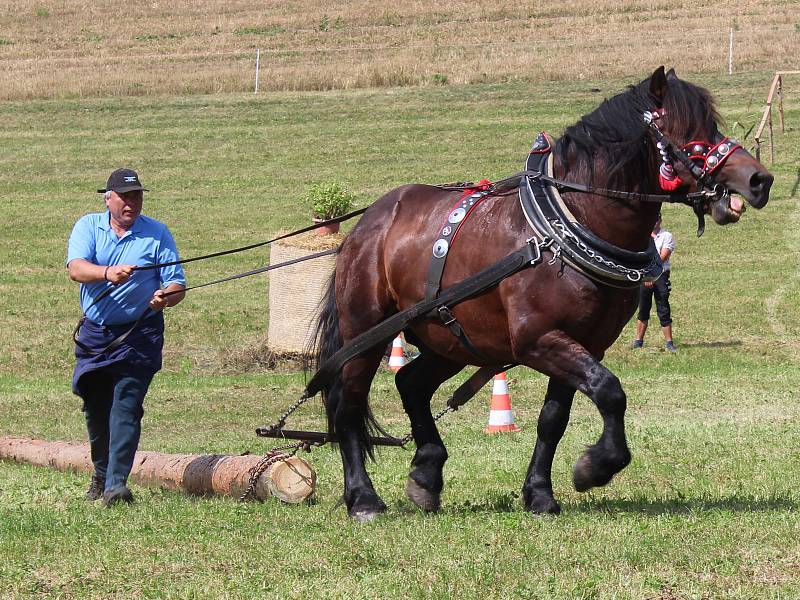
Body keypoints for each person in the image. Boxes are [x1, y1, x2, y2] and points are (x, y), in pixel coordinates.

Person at [67, 168, 186, 506]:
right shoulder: (88, 226)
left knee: (126, 406)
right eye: (125, 196)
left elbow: (177, 284)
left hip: (140, 333)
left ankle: (117, 486)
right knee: (96, 407)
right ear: (109, 198)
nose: (132, 202)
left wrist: (166, 296)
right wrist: (107, 273)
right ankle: (102, 474)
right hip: (96, 334)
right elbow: (76, 268)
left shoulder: (157, 233)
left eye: (137, 196)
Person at [632, 213, 676, 352]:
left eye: (657, 219)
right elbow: (638, 257)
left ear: (660, 220)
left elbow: (663, 256)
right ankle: (638, 341)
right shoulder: (642, 236)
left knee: (663, 308)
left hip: (660, 275)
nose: (654, 222)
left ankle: (669, 343)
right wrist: (646, 276)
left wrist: (650, 276)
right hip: (645, 275)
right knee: (643, 308)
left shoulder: (666, 236)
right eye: (652, 218)